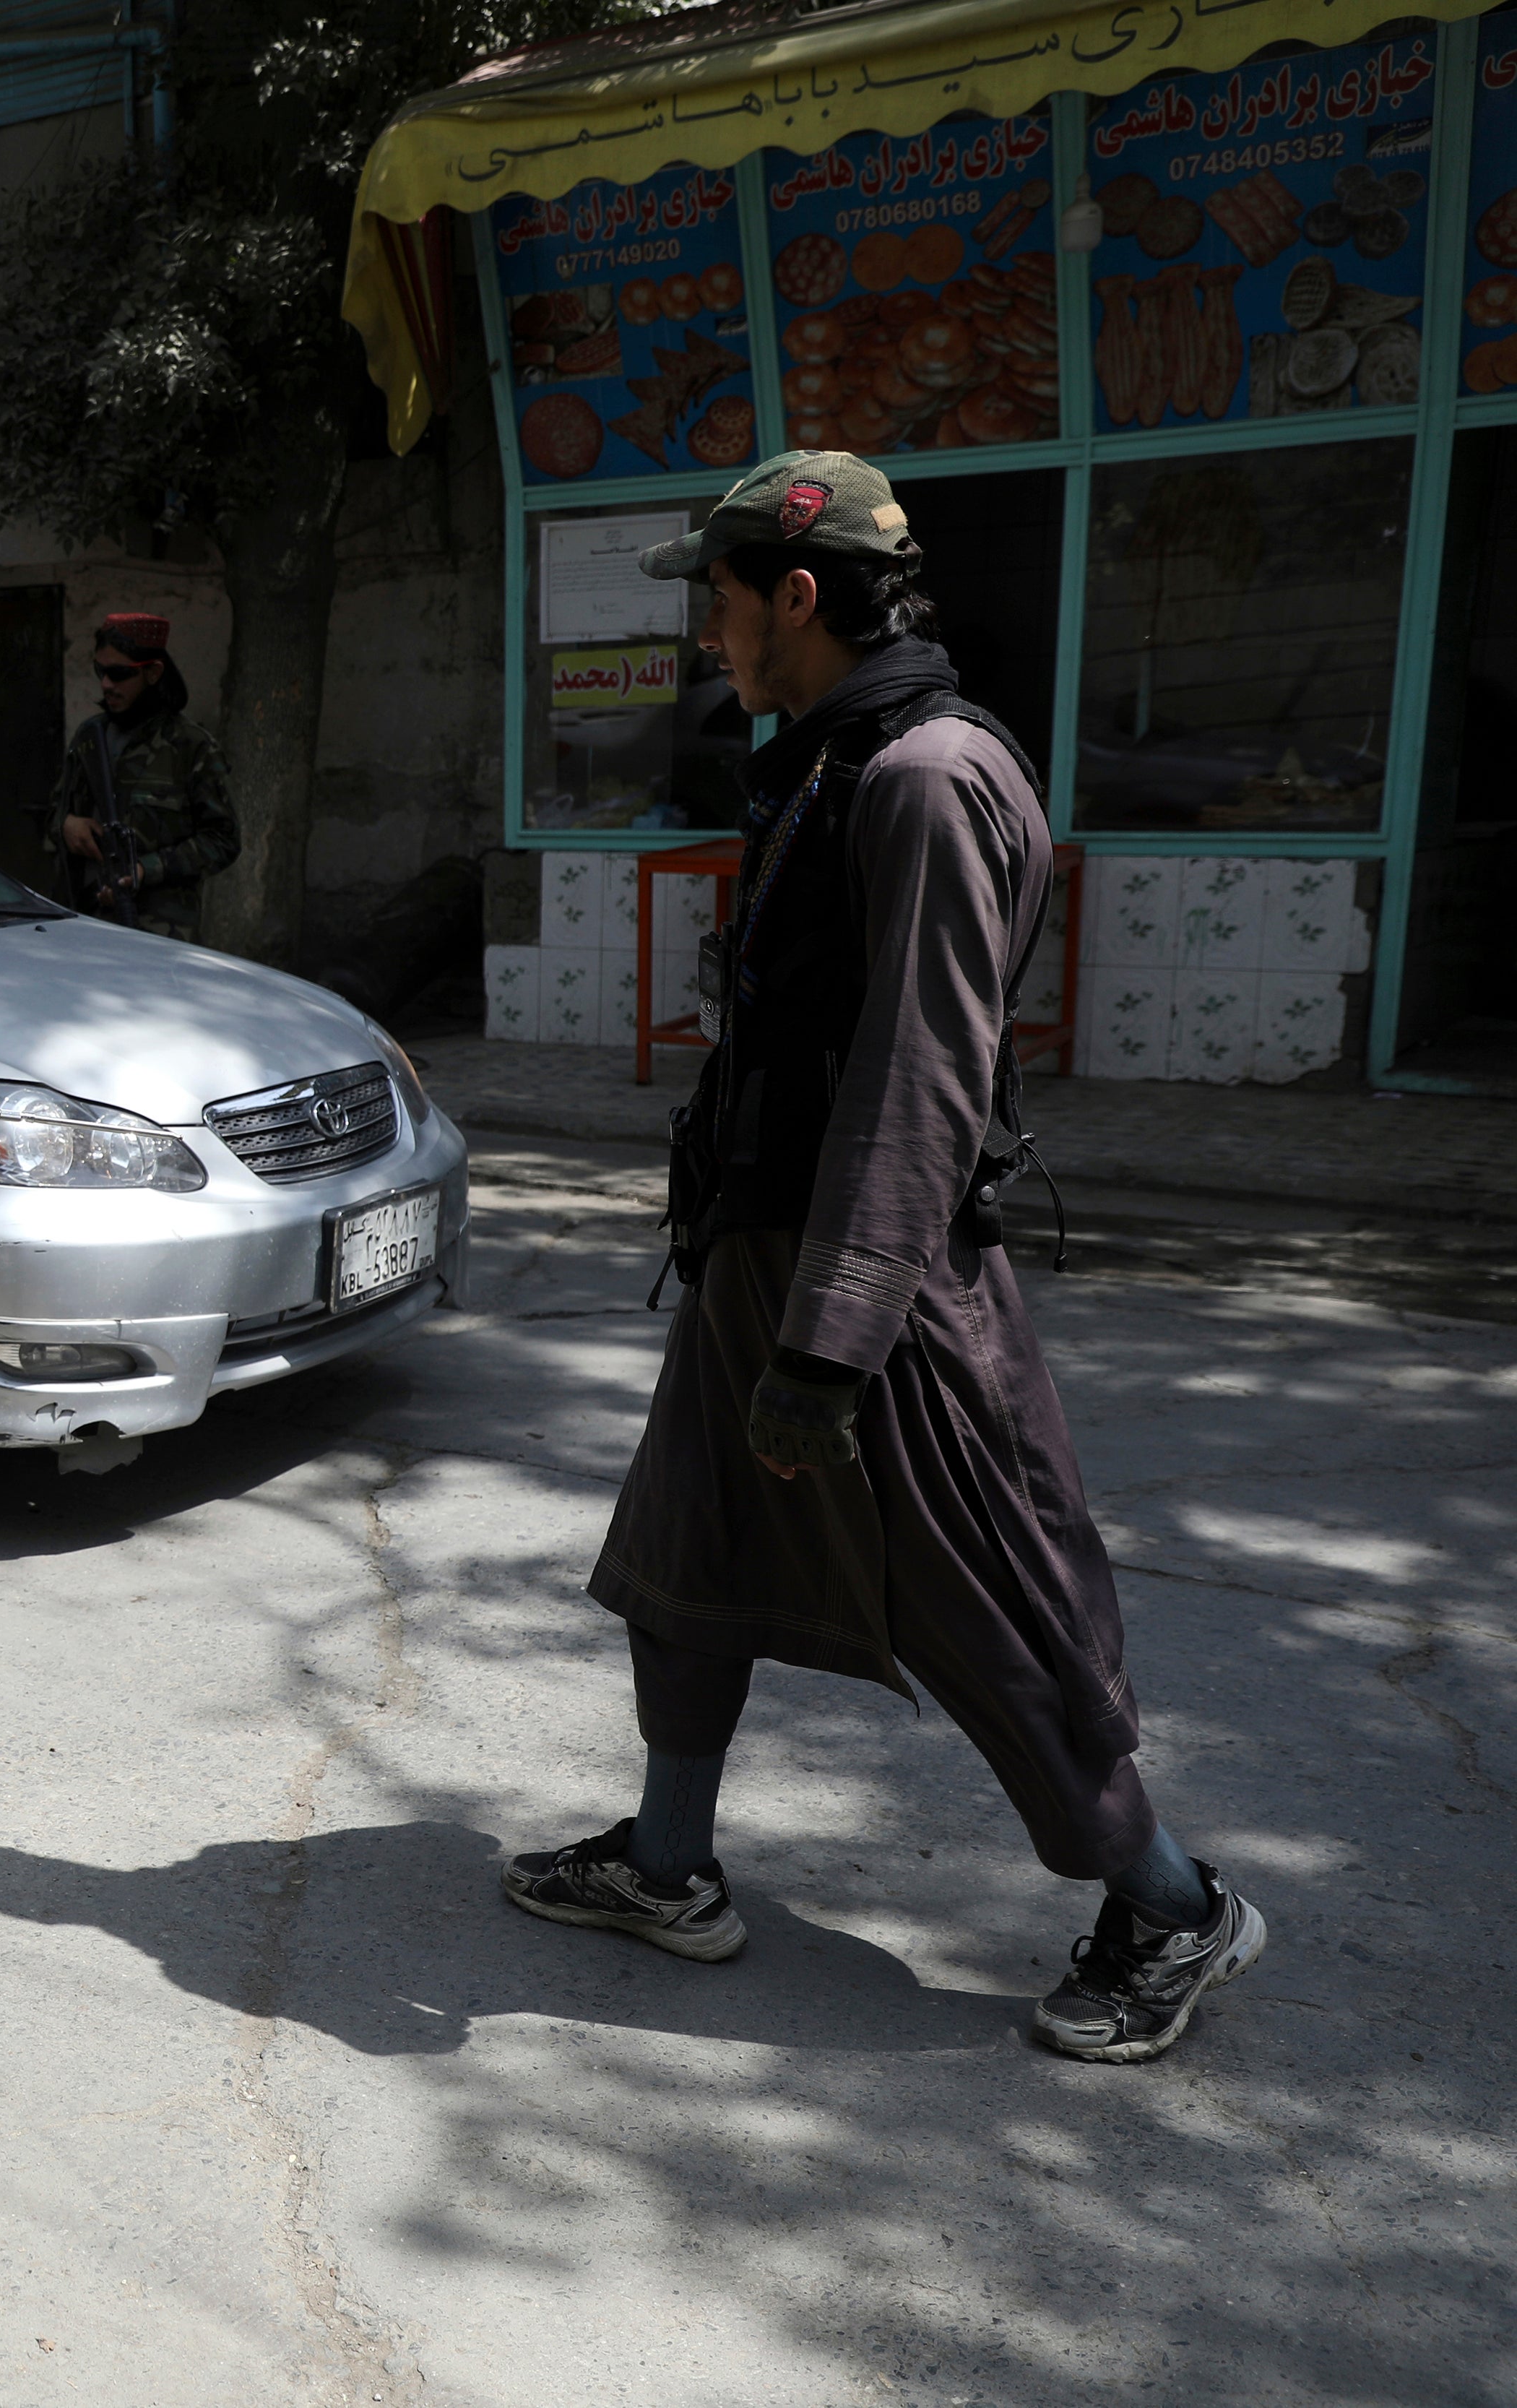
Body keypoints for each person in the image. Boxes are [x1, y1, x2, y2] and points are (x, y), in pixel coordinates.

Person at [499, 452, 1267, 2063]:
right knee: (682, 1557)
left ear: (794, 595)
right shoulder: (831, 756)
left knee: (990, 1612)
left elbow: (917, 1071)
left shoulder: (921, 775)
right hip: (757, 1256)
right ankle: (664, 1859)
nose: (705, 635)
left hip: (875, 1289)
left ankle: (1175, 1904)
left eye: (714, 601)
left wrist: (833, 1341)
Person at [47, 612, 237, 941]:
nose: (107, 684)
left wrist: (145, 869)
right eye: (101, 672)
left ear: (153, 672)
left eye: (119, 674)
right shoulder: (90, 737)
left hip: (157, 933)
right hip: (81, 924)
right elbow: (53, 813)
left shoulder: (190, 746)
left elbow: (223, 840)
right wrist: (67, 826)